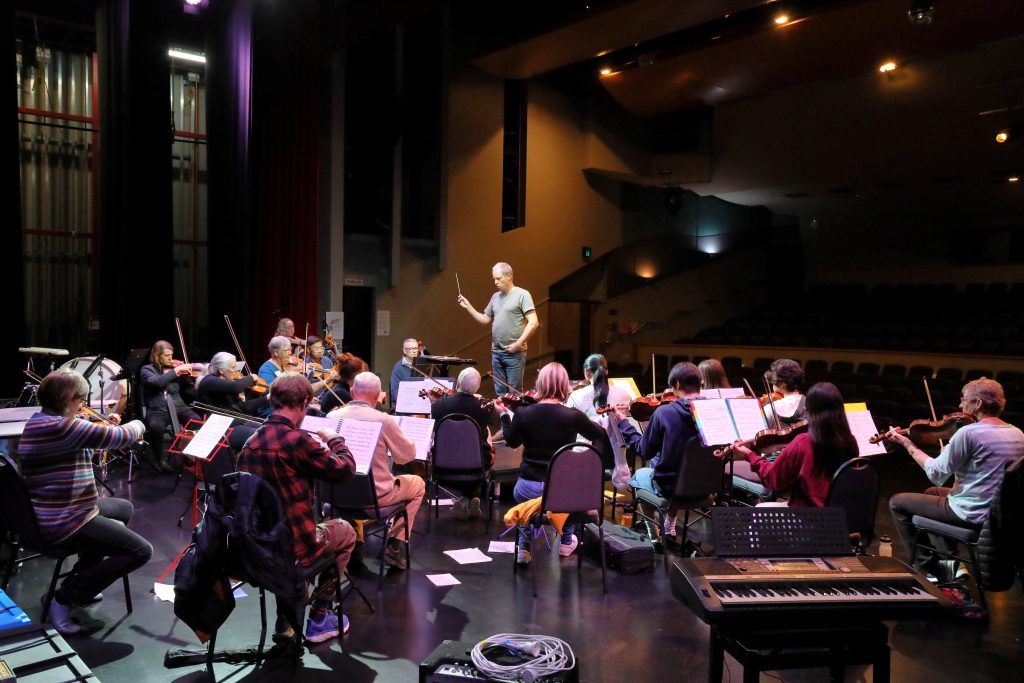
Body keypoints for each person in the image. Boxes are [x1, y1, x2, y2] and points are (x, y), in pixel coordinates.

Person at [18, 370, 152, 635]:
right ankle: (63, 598)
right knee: (140, 551)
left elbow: (81, 450)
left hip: (64, 508)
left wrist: (101, 429)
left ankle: (83, 578)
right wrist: (138, 424)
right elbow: (123, 437)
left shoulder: (41, 421)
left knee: (123, 508)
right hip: (65, 519)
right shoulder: (63, 426)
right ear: (68, 399)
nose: (82, 404)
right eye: (81, 398)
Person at [236, 373, 358, 643]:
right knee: (346, 532)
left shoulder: (250, 442)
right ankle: (319, 616)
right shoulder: (299, 441)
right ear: (305, 402)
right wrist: (336, 440)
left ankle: (286, 622)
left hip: (257, 547)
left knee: (287, 530)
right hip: (294, 549)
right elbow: (346, 471)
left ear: (272, 399)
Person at [885, 378, 1024, 580]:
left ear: (978, 403)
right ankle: (952, 564)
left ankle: (928, 568)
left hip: (972, 513)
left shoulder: (969, 433)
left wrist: (908, 444)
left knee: (898, 502)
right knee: (931, 495)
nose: (960, 405)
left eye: (964, 399)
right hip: (999, 514)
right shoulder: (1017, 433)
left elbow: (936, 474)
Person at [497, 362, 611, 563]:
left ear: (540, 383)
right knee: (565, 493)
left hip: (528, 487)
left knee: (524, 498)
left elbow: (512, 441)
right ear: (564, 385)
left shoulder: (524, 413)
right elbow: (599, 434)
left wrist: (504, 415)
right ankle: (567, 541)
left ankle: (524, 546)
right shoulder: (573, 416)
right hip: (561, 491)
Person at [331, 372, 425, 570]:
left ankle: (355, 546)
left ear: (351, 392)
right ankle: (395, 545)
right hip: (375, 499)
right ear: (376, 397)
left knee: (353, 480)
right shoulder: (384, 420)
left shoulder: (332, 417)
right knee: (418, 484)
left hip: (335, 495)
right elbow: (405, 457)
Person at [727, 382, 859, 508]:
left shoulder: (804, 442)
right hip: (838, 515)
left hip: (807, 517)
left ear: (810, 410)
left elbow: (772, 479)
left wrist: (749, 455)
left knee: (760, 509)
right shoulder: (850, 442)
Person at [612, 362, 702, 538]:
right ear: (700, 384)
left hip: (671, 487)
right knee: (683, 467)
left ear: (676, 385)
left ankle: (654, 534)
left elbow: (644, 451)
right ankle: (669, 525)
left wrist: (624, 422)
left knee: (639, 476)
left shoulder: (665, 413)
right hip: (706, 486)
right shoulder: (715, 409)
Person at [457, 262, 539, 395]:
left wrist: (518, 344)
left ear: (509, 276)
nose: (495, 282)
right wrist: (468, 306)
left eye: (498, 278)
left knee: (514, 393)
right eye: (494, 279)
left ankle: (513, 416)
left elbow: (533, 322)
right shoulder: (495, 297)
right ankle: (502, 416)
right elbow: (485, 319)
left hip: (514, 353)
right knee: (500, 393)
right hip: (496, 352)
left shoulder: (522, 295)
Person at [430, 367, 495, 519]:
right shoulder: (484, 407)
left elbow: (436, 414)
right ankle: (470, 497)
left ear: (457, 383)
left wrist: (435, 403)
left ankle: (464, 499)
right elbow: (493, 418)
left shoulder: (439, 405)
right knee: (485, 443)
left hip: (444, 467)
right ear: (478, 387)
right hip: (476, 467)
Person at [140, 340, 201, 472]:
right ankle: (161, 460)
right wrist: (177, 370)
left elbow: (189, 392)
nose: (171, 359)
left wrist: (188, 380)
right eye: (167, 356)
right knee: (156, 426)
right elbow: (157, 383)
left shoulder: (174, 370)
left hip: (179, 406)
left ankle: (188, 456)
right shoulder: (147, 370)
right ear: (157, 356)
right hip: (158, 409)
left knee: (197, 421)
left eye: (171, 355)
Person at [195, 352, 267, 450]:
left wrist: (267, 398)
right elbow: (235, 387)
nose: (236, 371)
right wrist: (251, 377)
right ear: (221, 370)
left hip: (238, 423)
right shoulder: (209, 381)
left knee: (271, 430)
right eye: (233, 368)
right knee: (263, 437)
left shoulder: (226, 382)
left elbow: (244, 406)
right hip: (221, 429)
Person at [566, 353, 631, 421]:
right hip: (616, 432)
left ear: (586, 373)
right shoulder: (625, 395)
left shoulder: (575, 396)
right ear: (606, 372)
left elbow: (568, 422)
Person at [762, 358, 807, 427]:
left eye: (774, 383)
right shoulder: (810, 405)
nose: (773, 387)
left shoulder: (770, 408)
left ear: (783, 385)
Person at [389, 338, 420, 408]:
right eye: (410, 349)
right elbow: (394, 392)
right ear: (404, 351)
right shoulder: (398, 367)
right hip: (406, 403)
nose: (414, 351)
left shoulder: (423, 365)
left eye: (415, 348)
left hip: (420, 401)